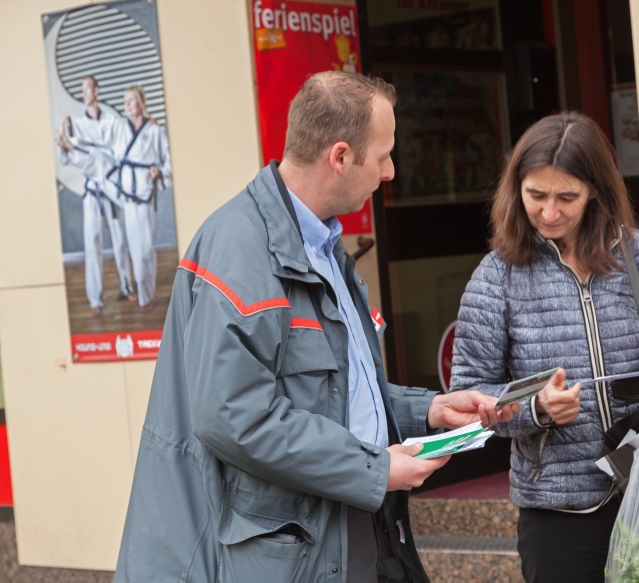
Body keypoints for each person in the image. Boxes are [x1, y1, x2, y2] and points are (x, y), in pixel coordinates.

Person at [113, 71, 520, 583]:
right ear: (341, 157)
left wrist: (430, 410)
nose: (391, 172)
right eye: (384, 155)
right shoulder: (239, 248)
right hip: (286, 550)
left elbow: (332, 393)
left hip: (342, 527)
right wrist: (376, 468)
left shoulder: (321, 245)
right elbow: (233, 416)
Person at [450, 112, 639, 582]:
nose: (549, 212)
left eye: (567, 197)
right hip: (558, 513)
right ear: (516, 189)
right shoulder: (496, 276)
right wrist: (536, 409)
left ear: (596, 193)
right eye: (536, 195)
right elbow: (468, 394)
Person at [58, 85, 170, 313]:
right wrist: (72, 123)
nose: (127, 105)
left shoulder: (154, 130)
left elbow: (167, 161)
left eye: (131, 101)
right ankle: (68, 151)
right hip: (120, 186)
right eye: (125, 101)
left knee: (142, 249)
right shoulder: (119, 127)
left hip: (141, 192)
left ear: (142, 103)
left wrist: (159, 172)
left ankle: (144, 295)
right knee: (97, 160)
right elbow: (98, 133)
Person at [59, 75, 136, 316]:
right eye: (82, 89)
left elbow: (118, 148)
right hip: (92, 192)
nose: (84, 93)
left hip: (111, 188)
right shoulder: (77, 127)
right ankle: (95, 298)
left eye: (87, 88)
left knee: (120, 241)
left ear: (97, 91)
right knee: (92, 243)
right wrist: (65, 146)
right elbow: (69, 157)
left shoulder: (110, 122)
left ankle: (127, 285)